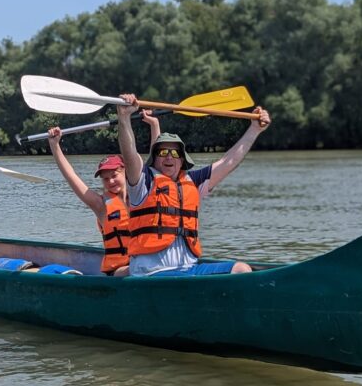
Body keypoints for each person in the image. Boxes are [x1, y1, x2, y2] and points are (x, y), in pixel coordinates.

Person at [116, 95, 271, 276]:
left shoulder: (193, 182)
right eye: (163, 152)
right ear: (155, 158)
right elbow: (129, 153)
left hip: (189, 269)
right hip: (152, 272)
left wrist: (254, 130)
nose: (169, 157)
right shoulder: (143, 181)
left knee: (241, 269)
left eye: (175, 152)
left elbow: (228, 162)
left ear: (182, 159)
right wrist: (124, 117)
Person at [47, 109, 162, 276]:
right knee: (139, 269)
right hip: (121, 272)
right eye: (105, 179)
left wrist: (154, 125)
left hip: (147, 264)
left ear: (126, 172)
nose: (110, 181)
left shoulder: (143, 193)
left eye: (114, 175)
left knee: (153, 264)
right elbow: (72, 178)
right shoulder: (101, 205)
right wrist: (55, 145)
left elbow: (154, 163)